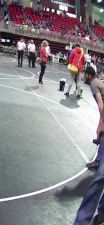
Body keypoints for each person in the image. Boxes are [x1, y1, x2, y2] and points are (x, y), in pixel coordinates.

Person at [74, 67, 104, 225]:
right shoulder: (97, 82)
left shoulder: (94, 83)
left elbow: (101, 106)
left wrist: (101, 124)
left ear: (89, 75)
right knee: (101, 176)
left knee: (100, 177)